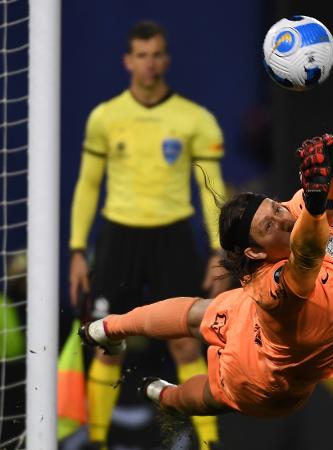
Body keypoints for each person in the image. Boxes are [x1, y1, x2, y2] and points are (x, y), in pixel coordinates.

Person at [79, 134, 333, 419]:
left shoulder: (293, 213)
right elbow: (306, 255)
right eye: (269, 226)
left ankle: (154, 384)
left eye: (276, 209)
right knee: (214, 391)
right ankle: (124, 345)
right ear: (256, 253)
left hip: (271, 348)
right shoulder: (272, 289)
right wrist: (314, 211)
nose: (284, 220)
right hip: (260, 378)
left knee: (201, 312)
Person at [69, 20, 228, 450]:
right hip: (119, 236)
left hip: (172, 238)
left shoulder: (195, 120)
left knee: (185, 344)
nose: (150, 63)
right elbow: (87, 184)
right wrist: (77, 249)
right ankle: (98, 443)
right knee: (105, 340)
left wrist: (219, 250)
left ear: (167, 59)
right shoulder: (106, 117)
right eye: (141, 55)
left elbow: (210, 188)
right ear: (127, 60)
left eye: (157, 54)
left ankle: (208, 443)